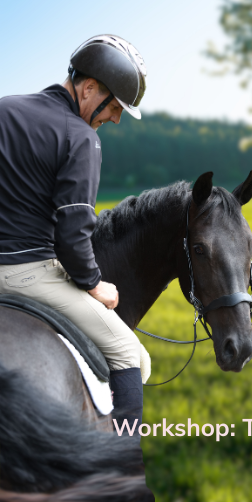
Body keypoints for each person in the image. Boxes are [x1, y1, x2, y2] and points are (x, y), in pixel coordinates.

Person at [0, 35, 147, 438]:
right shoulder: (81, 138)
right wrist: (94, 284)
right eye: (114, 107)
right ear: (88, 89)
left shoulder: (5, 108)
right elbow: (72, 232)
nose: (114, 119)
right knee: (128, 352)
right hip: (27, 272)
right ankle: (123, 459)